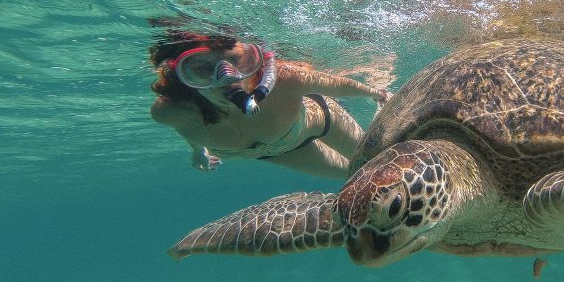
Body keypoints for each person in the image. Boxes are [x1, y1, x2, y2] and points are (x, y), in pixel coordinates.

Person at [149, 32, 390, 179]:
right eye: (201, 68)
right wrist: (198, 151)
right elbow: (186, 129)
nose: (227, 77)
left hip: (321, 121)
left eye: (234, 60)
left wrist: (375, 93)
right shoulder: (169, 112)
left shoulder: (285, 79)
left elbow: (338, 85)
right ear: (181, 76)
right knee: (355, 175)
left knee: (377, 165)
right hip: (282, 152)